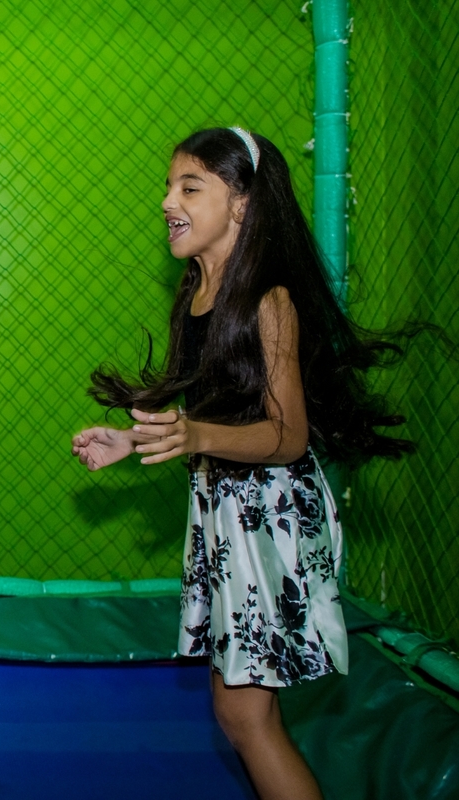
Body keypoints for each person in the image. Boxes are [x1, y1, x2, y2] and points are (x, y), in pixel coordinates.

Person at [71, 128, 413, 799]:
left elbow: (287, 437)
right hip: (225, 511)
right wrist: (134, 440)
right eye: (168, 187)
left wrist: (196, 435)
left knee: (246, 716)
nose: (168, 201)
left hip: (269, 514)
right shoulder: (196, 294)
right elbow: (212, 413)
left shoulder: (268, 301)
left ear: (242, 204)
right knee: (243, 714)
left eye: (190, 187)